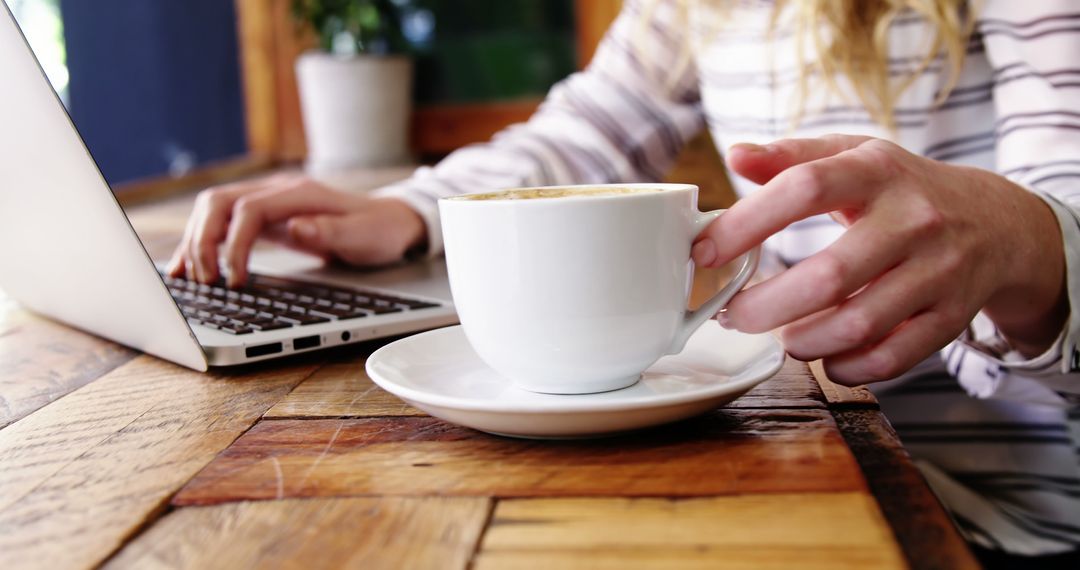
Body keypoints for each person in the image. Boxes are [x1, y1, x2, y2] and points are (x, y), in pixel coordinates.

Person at [170, 0, 1080, 563]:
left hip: (997, 510)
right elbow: (587, 129)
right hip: (801, 463)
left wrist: (1023, 242)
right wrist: (409, 208)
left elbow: (1063, 190)